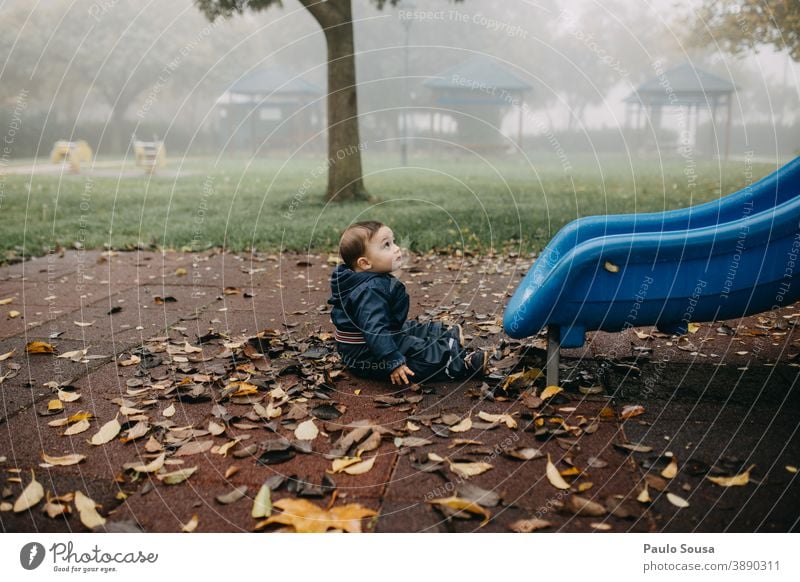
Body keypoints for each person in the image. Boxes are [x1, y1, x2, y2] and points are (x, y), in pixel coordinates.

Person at [328, 220, 489, 385]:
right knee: (416, 355)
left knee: (406, 328)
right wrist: (393, 361)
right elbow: (375, 331)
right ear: (365, 263)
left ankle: (442, 333)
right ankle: (457, 363)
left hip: (370, 340)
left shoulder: (362, 279)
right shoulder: (370, 291)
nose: (397, 248)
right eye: (387, 245)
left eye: (394, 241)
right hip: (367, 353)